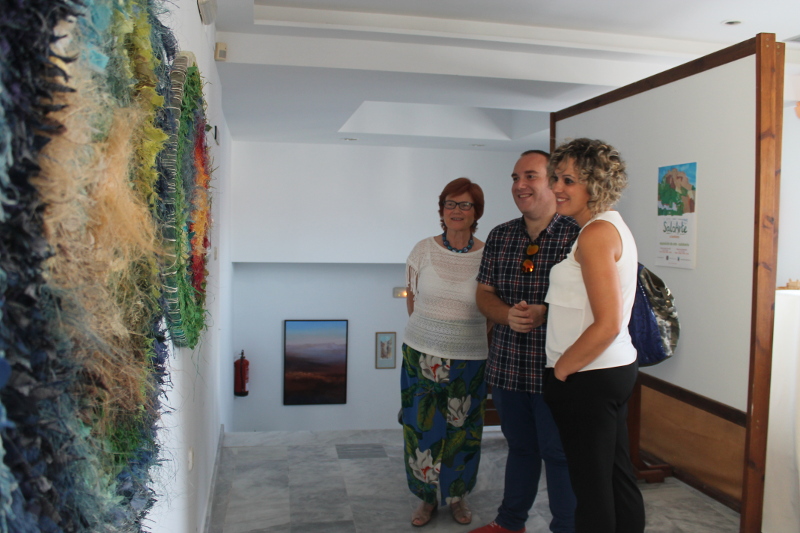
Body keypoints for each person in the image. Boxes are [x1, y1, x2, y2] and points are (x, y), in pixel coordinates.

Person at [471, 150, 579, 533]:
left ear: (553, 181)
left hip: (558, 369)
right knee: (520, 448)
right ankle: (509, 523)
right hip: (508, 367)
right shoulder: (500, 235)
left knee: (559, 454)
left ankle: (566, 528)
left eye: (530, 176)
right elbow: (483, 293)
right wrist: (506, 315)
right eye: (515, 178)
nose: (520, 185)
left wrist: (544, 313)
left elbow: (593, 301)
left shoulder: (578, 234)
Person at [543, 138, 645, 533]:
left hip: (589, 375)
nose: (556, 188)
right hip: (606, 371)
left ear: (596, 184)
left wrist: (561, 371)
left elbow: (607, 322)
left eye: (568, 180)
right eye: (556, 178)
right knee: (615, 479)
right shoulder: (606, 227)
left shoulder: (596, 234)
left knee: (591, 490)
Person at [401, 177, 490, 527]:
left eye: (465, 205)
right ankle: (426, 499)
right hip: (421, 354)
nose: (457, 211)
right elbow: (412, 297)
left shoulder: (489, 254)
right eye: (450, 204)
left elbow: (492, 306)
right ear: (441, 210)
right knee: (422, 431)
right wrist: (431, 334)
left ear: (476, 212)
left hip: (470, 358)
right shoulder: (422, 250)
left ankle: (457, 497)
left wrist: (471, 337)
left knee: (463, 433)